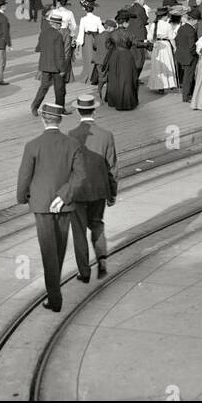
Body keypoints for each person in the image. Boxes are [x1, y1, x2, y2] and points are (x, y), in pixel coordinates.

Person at [16, 102, 88, 312]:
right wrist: (64, 195)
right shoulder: (72, 144)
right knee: (59, 247)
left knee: (48, 250)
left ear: (43, 119)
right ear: (60, 120)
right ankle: (54, 292)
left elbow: (24, 177)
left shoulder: (32, 145)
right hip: (63, 205)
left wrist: (22, 198)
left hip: (41, 204)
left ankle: (55, 299)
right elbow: (80, 175)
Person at [69, 94, 118, 282]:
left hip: (78, 191)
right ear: (95, 110)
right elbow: (112, 166)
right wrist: (112, 192)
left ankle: (84, 271)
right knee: (97, 224)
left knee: (79, 230)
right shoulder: (107, 135)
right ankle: (102, 261)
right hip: (99, 189)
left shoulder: (71, 135)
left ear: (78, 111)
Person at [30, 13, 69, 117]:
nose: (60, 26)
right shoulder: (58, 35)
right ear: (56, 24)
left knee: (43, 87)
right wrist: (62, 69)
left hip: (45, 65)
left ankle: (35, 106)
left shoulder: (43, 33)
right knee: (60, 89)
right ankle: (60, 109)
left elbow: (38, 48)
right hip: (56, 66)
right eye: (59, 24)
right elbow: (59, 54)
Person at [105, 16, 140, 111]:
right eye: (127, 22)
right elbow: (136, 43)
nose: (128, 24)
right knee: (127, 78)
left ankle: (114, 100)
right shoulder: (128, 33)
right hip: (126, 56)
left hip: (115, 56)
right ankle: (126, 102)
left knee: (114, 78)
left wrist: (115, 49)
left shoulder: (112, 33)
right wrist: (147, 44)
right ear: (124, 23)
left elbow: (107, 45)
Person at [147, 7, 179, 93]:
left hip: (156, 46)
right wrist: (175, 47)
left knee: (157, 66)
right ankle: (168, 83)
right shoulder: (167, 25)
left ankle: (158, 86)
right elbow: (171, 38)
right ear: (164, 16)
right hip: (165, 46)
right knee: (167, 64)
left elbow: (149, 38)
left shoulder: (153, 25)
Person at [76, 0, 105, 85]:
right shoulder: (97, 18)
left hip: (87, 38)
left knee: (87, 59)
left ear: (85, 8)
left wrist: (78, 44)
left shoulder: (83, 19)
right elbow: (101, 30)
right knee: (94, 57)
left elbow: (81, 32)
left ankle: (87, 76)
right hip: (95, 38)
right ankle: (94, 76)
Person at [173, 7, 197, 102]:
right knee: (188, 77)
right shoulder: (191, 30)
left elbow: (176, 40)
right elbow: (192, 46)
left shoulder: (182, 28)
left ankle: (192, 92)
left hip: (181, 55)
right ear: (194, 20)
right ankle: (186, 96)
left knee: (188, 76)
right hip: (190, 57)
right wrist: (198, 52)